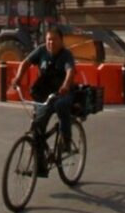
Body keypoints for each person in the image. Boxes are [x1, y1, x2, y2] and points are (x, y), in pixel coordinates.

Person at [10, 26, 76, 177]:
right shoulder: (41, 51)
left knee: (61, 105)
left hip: (62, 93)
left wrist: (66, 85)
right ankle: (40, 167)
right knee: (37, 130)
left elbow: (70, 71)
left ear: (61, 40)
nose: (51, 43)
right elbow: (25, 63)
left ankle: (66, 141)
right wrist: (18, 78)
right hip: (45, 94)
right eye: (48, 40)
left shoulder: (66, 55)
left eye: (54, 40)